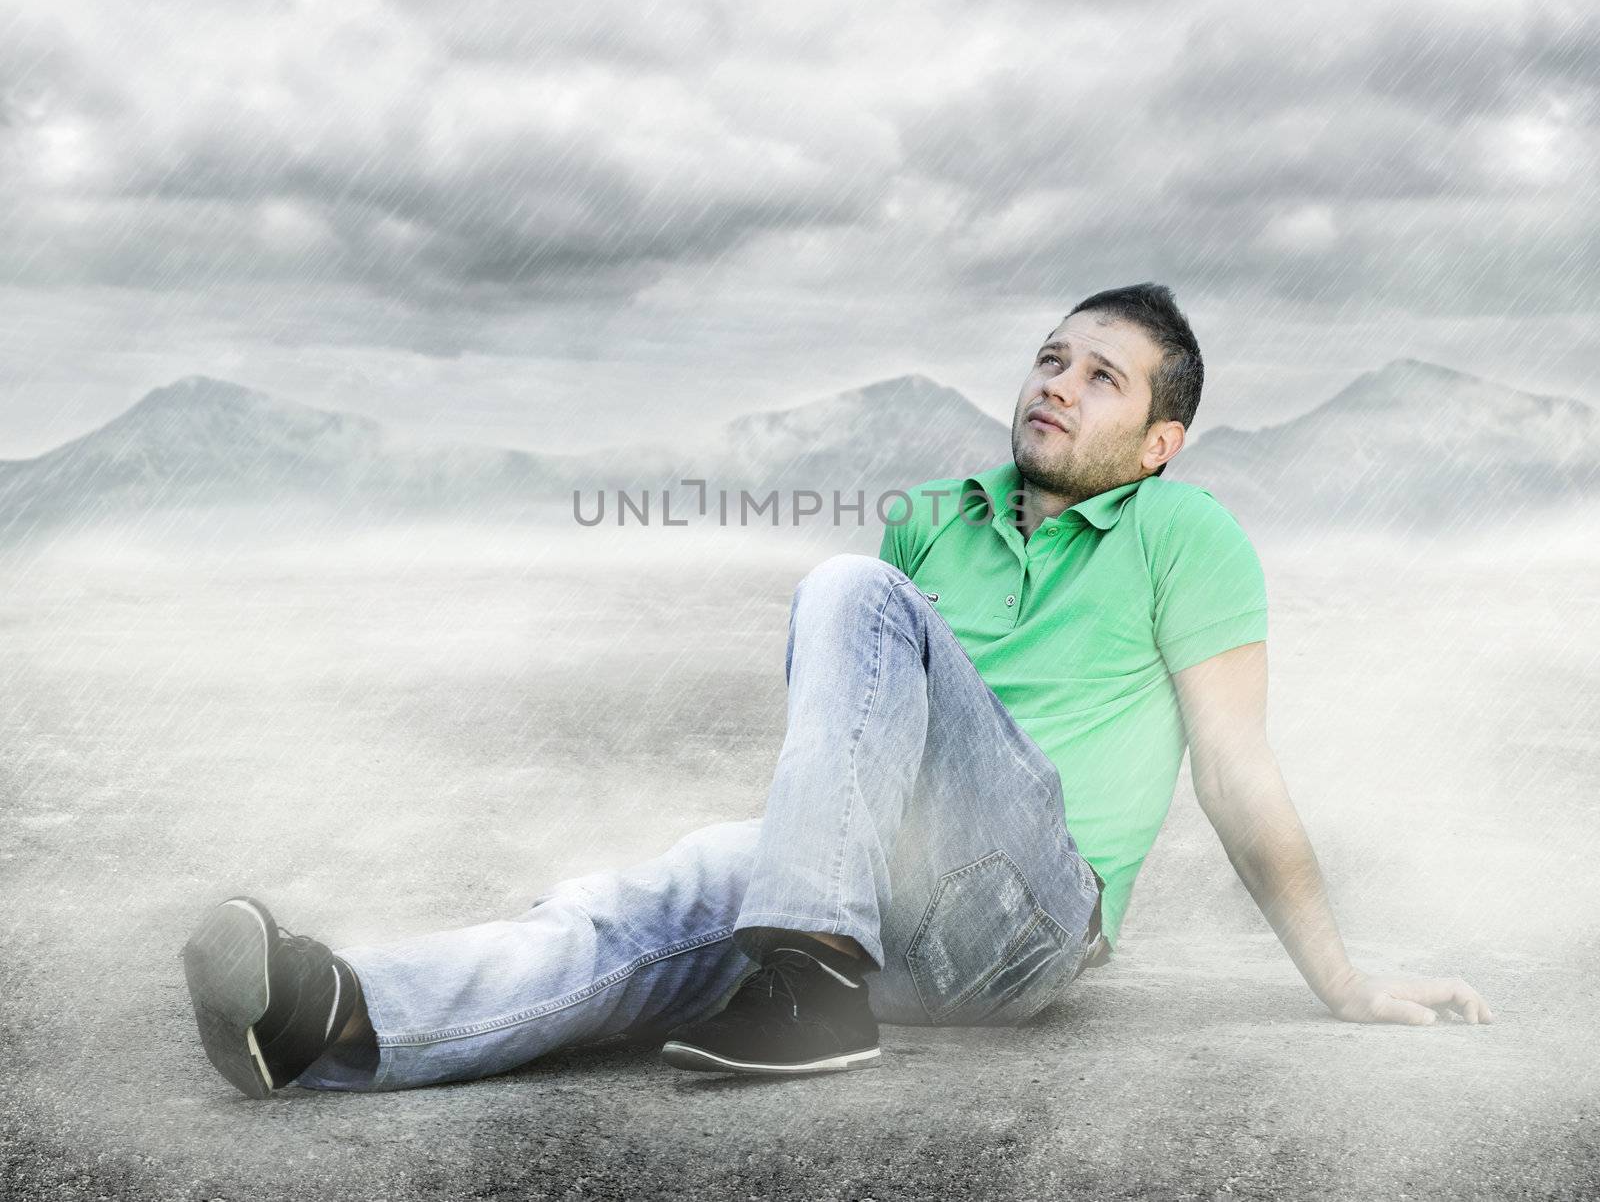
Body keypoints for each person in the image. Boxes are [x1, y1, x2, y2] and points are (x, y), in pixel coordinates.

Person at [181, 282, 1494, 1098]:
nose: (1057, 381)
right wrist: (783, 877)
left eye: (1103, 375)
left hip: (1027, 913)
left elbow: (1235, 766)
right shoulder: (937, 521)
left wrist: (1342, 977)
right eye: (1050, 355)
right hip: (885, 905)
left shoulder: (1185, 536)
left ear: (1162, 443)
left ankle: (808, 979)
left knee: (850, 593)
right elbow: (860, 741)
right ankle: (334, 1017)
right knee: (643, 900)